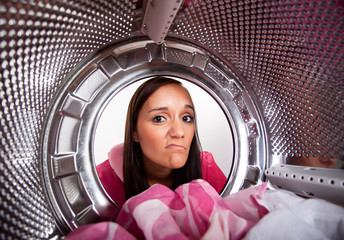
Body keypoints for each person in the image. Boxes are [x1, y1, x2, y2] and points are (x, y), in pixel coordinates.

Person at [96, 77, 227, 216]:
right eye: (159, 118)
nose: (179, 132)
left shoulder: (206, 168)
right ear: (134, 131)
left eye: (186, 118)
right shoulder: (101, 181)